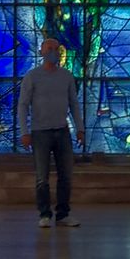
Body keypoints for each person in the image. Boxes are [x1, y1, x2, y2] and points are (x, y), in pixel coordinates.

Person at [18, 36, 86, 228]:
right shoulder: (32, 77)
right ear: (41, 52)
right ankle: (45, 214)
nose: (52, 53)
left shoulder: (66, 76)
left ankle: (63, 214)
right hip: (40, 133)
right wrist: (25, 131)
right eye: (48, 49)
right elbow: (23, 105)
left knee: (66, 175)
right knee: (42, 177)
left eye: (55, 49)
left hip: (62, 131)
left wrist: (80, 128)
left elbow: (74, 104)